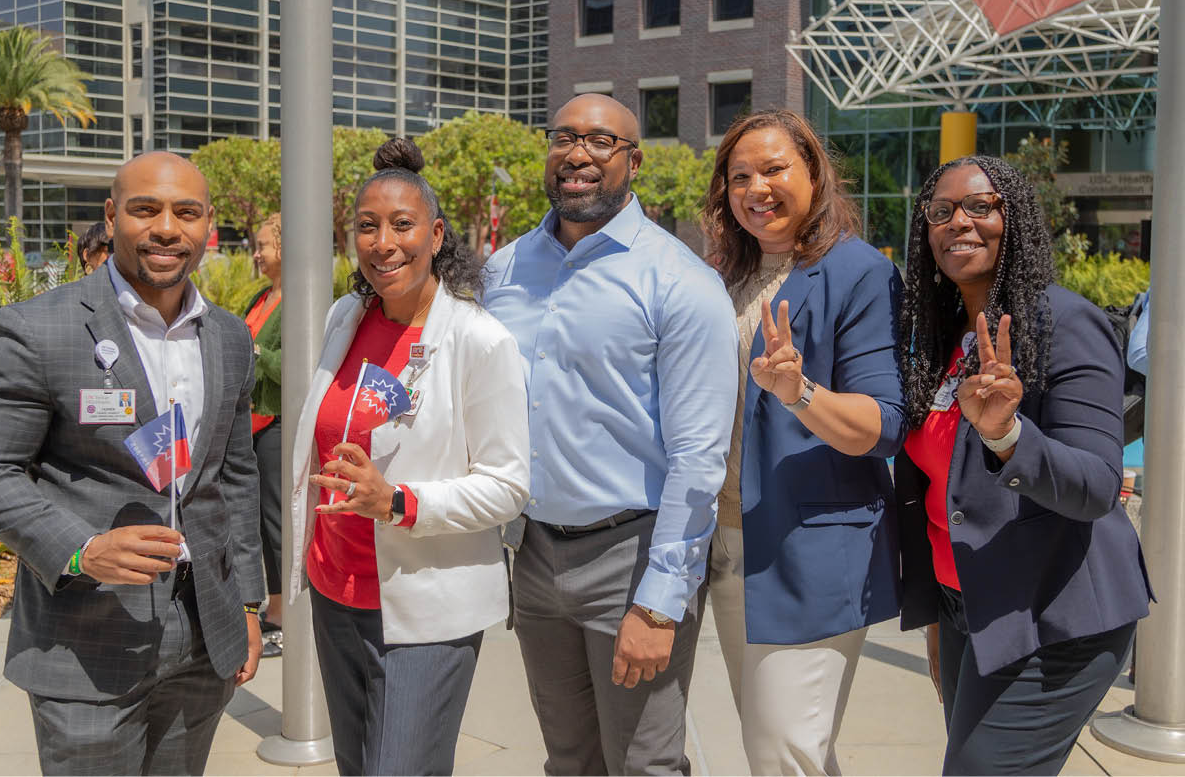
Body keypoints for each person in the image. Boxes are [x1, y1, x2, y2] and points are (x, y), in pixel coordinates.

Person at [0, 151, 264, 775]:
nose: (167, 228)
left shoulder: (229, 335)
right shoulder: (39, 328)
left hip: (204, 635)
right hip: (87, 636)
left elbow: (234, 475)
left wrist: (249, 605)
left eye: (187, 212)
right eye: (146, 209)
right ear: (112, 216)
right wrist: (81, 547)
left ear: (209, 228)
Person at [483, 94, 738, 775]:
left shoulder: (680, 281)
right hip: (533, 554)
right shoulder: (501, 272)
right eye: (563, 136)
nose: (577, 154)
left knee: (644, 763)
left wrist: (660, 602)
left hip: (633, 556)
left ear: (634, 160)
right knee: (568, 758)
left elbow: (698, 457)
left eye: (600, 140)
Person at [894, 155, 1152, 775]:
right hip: (973, 610)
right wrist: (937, 614)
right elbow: (939, 490)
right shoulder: (946, 333)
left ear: (1016, 220)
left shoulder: (1065, 323)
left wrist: (1009, 434)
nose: (959, 222)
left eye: (980, 207)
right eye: (941, 211)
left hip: (1056, 621)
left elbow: (1094, 485)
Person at [285, 138, 530, 776]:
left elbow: (508, 486)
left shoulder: (479, 341)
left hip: (427, 608)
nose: (383, 242)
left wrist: (398, 501)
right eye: (367, 226)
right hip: (336, 592)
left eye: (402, 224)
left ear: (437, 233)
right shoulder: (347, 317)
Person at [699, 109, 906, 776]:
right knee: (790, 748)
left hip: (815, 550)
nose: (756, 187)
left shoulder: (858, 272)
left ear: (814, 173)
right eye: (739, 176)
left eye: (773, 168)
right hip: (730, 544)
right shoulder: (727, 278)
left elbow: (881, 423)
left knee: (782, 752)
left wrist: (801, 394)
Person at [246, 213, 285, 658]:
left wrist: (255, 351)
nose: (256, 254)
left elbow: (294, 364)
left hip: (276, 424)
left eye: (263, 246)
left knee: (275, 523)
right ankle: (269, 606)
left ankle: (281, 614)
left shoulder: (299, 303)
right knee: (257, 522)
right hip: (252, 424)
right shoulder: (262, 298)